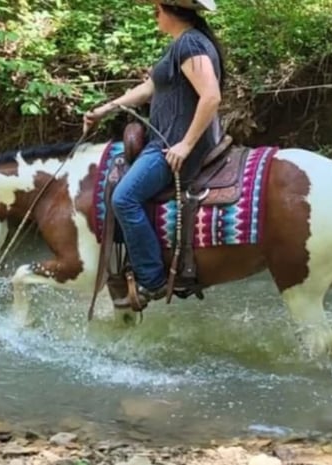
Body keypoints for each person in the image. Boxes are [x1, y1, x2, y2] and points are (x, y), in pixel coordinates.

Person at [83, 0, 225, 306]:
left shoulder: (189, 45)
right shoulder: (182, 44)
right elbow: (149, 89)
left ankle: (152, 280)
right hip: (167, 140)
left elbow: (211, 96)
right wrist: (106, 110)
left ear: (167, 9)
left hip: (172, 144)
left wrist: (185, 144)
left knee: (124, 198)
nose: (153, 14)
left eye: (156, 9)